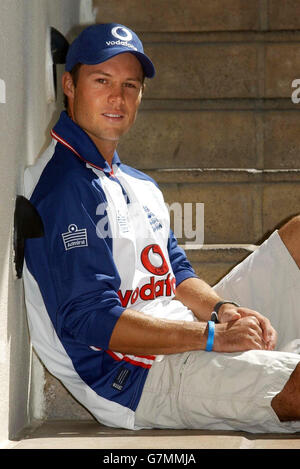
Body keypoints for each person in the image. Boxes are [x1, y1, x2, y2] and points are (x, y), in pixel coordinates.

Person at [23, 23, 300, 434]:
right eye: (102, 81)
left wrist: (224, 312)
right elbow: (91, 322)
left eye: (130, 86)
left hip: (181, 326)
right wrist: (212, 338)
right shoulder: (65, 188)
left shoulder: (137, 183)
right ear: (69, 84)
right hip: (137, 377)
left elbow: (176, 273)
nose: (117, 97)